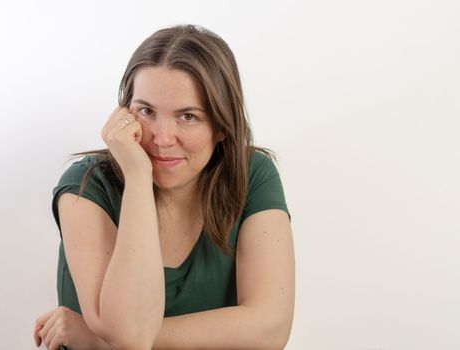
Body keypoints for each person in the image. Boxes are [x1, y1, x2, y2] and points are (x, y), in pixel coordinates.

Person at [33, 24, 295, 350]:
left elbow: (269, 330)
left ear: (222, 125)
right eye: (146, 111)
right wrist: (139, 177)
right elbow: (130, 329)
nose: (162, 138)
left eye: (187, 116)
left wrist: (98, 339)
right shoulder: (85, 188)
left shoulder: (251, 174)